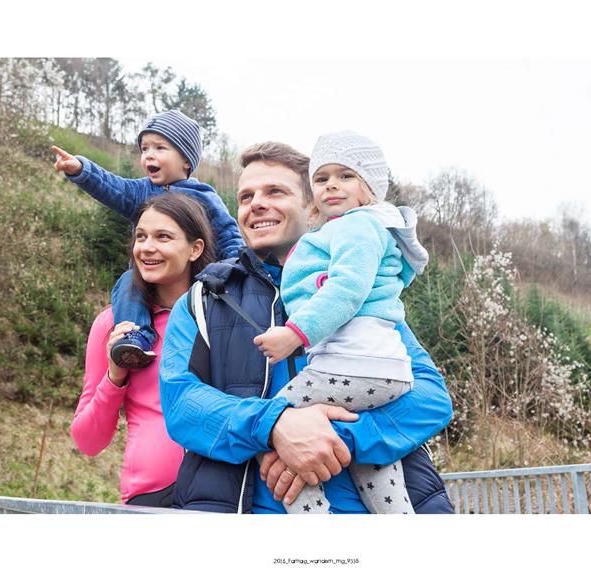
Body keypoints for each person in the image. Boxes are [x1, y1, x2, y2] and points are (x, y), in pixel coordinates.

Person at [159, 141, 454, 513]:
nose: (256, 204)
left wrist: (336, 437)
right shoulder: (206, 298)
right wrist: (275, 426)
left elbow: (431, 398)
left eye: (275, 192)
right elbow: (181, 403)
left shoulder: (361, 292)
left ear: (312, 207)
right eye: (246, 196)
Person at [252, 131, 430, 514]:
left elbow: (347, 289)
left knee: (274, 423)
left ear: (370, 188)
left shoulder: (358, 226)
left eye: (346, 176)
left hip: (352, 366)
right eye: (321, 178)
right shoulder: (361, 228)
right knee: (374, 462)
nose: (331, 185)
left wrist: (294, 334)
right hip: (382, 370)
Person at [52, 109, 243, 370]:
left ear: (186, 161)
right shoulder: (142, 191)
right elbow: (112, 187)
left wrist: (234, 273)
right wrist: (81, 170)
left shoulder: (204, 197)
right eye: (144, 149)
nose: (149, 155)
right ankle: (136, 337)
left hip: (195, 280)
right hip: (147, 281)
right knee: (128, 281)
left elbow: (230, 237)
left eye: (160, 148)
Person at [71, 193, 216, 507]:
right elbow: (87, 441)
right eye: (141, 236)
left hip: (222, 490)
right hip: (149, 496)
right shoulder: (114, 324)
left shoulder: (222, 318)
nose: (147, 247)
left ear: (195, 249)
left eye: (163, 237)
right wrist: (115, 376)